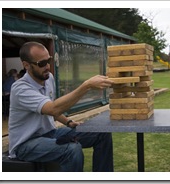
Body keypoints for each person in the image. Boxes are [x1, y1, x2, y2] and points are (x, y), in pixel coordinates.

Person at [8, 41, 114, 172]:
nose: (47, 66)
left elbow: (53, 109)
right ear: (26, 65)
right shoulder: (20, 88)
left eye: (48, 60)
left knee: (101, 134)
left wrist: (68, 122)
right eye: (41, 63)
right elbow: (53, 108)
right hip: (26, 144)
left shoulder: (48, 78)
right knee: (71, 149)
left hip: (50, 133)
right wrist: (86, 86)